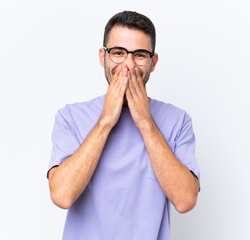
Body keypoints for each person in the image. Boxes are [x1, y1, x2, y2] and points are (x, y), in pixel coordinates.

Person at [47, 10, 200, 240]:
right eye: (118, 53)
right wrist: (106, 120)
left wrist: (145, 123)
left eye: (139, 55)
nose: (128, 65)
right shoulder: (70, 117)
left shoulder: (177, 121)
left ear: (153, 62)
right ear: (103, 57)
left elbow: (185, 200)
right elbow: (61, 195)